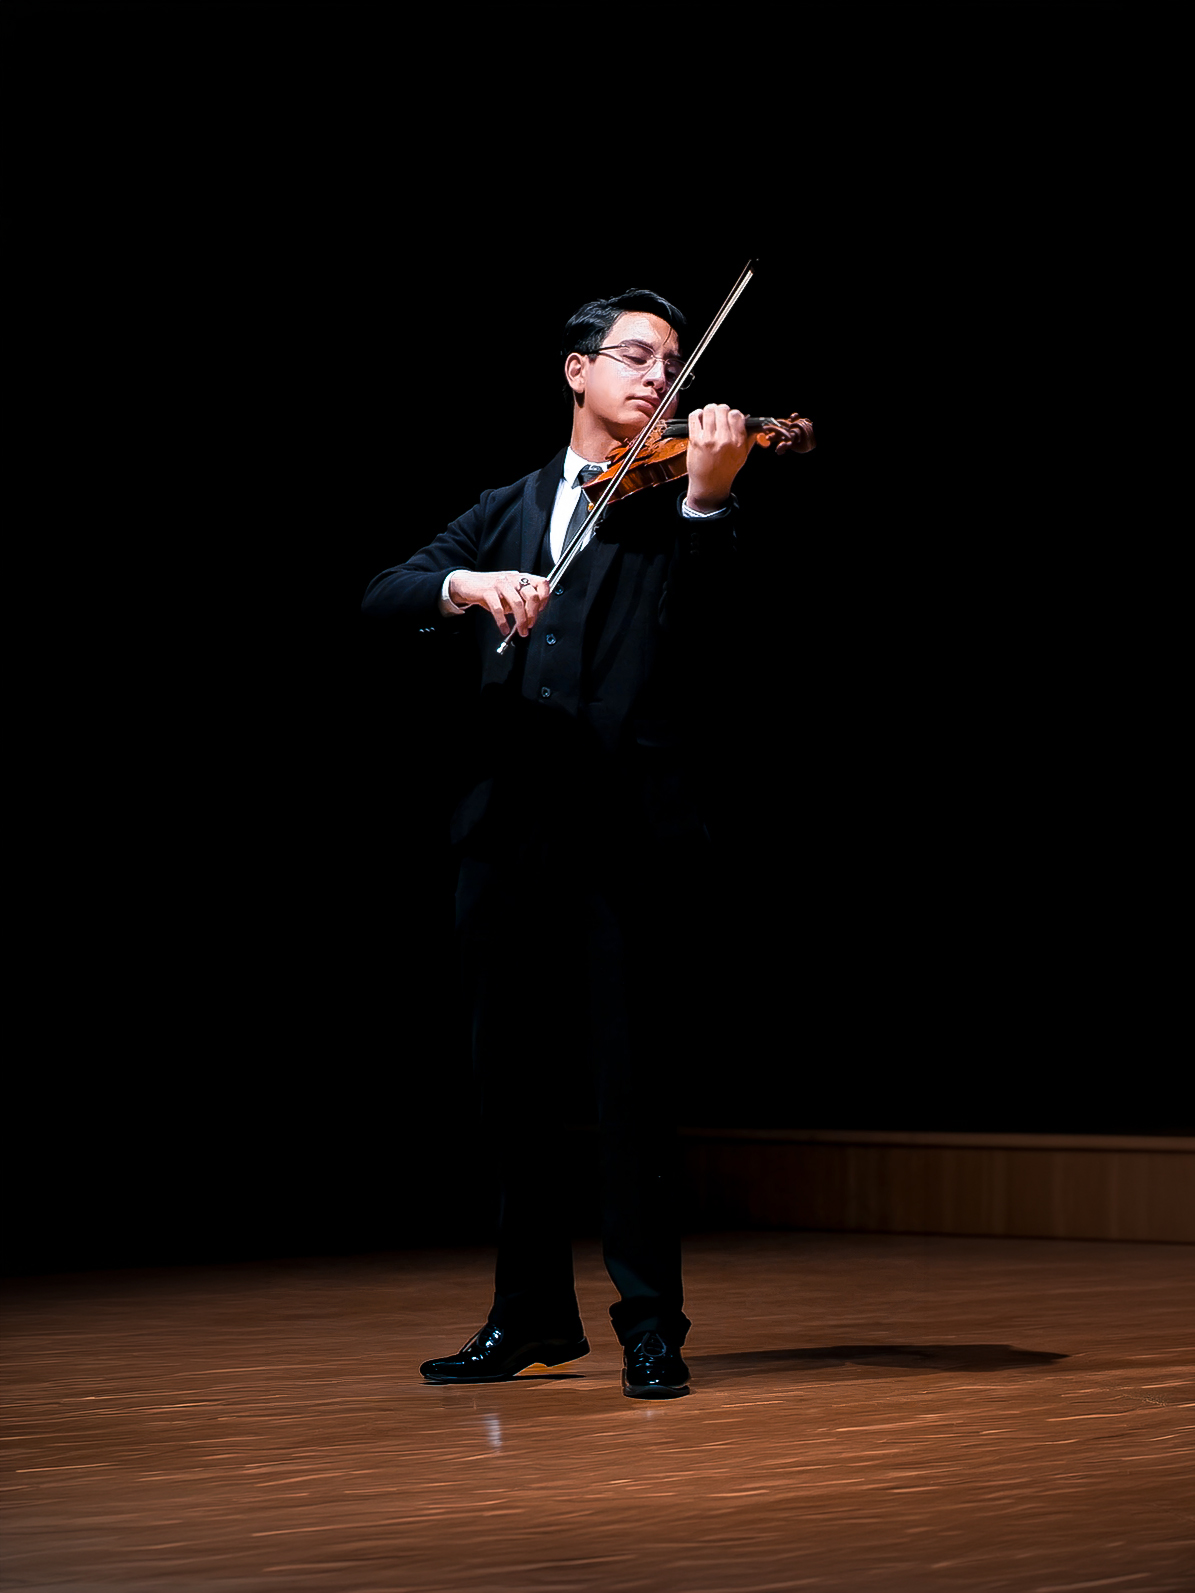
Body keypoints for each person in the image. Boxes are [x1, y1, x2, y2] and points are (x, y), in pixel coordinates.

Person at [362, 288, 763, 1399]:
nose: (660, 379)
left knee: (630, 1094)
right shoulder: (505, 505)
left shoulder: (672, 499)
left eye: (674, 365)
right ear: (575, 371)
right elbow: (382, 596)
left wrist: (708, 502)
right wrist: (465, 585)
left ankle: (650, 1325)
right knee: (510, 1091)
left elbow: (713, 635)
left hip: (624, 839)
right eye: (636, 356)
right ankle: (531, 1316)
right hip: (503, 837)